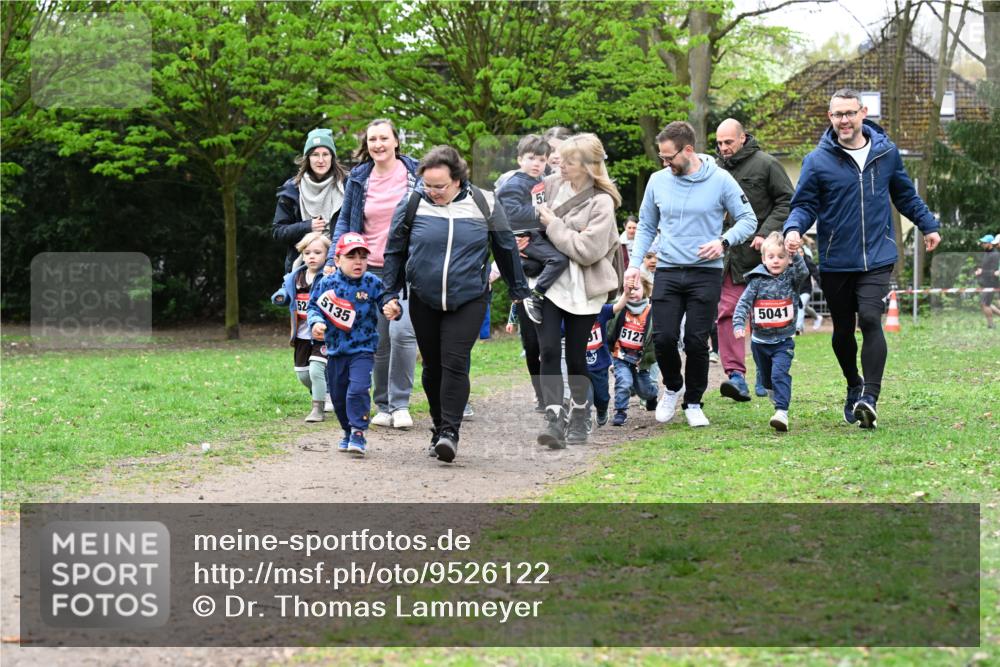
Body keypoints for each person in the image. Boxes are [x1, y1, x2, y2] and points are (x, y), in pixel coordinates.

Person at [784, 88, 941, 429]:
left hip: (878, 257)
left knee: (870, 319)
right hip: (837, 259)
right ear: (830, 118)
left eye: (850, 113)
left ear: (863, 113)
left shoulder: (886, 153)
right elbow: (804, 204)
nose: (844, 120)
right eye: (837, 115)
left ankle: (870, 397)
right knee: (842, 331)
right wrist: (794, 229)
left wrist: (928, 224)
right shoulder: (817, 160)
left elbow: (904, 194)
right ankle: (853, 383)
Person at [381, 146, 530, 464]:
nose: (432, 192)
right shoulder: (412, 203)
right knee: (433, 367)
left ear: (458, 180)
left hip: (470, 298)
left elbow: (505, 247)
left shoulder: (484, 202)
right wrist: (389, 294)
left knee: (454, 361)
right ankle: (438, 426)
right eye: (428, 185)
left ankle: (450, 433)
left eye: (439, 186)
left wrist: (519, 289)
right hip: (424, 297)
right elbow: (394, 250)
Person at [626, 121, 757, 428]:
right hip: (669, 269)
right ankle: (672, 386)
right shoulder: (658, 181)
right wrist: (633, 265)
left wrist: (723, 241)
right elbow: (645, 225)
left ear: (688, 150)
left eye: (669, 157)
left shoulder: (721, 180)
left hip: (705, 273)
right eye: (661, 157)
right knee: (664, 337)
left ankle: (694, 401)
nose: (664, 162)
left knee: (697, 341)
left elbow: (748, 219)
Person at [530, 133, 622, 448]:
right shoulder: (551, 185)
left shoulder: (602, 201)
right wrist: (566, 233)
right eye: (562, 159)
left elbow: (586, 251)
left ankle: (581, 412)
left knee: (577, 358)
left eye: (570, 161)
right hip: (551, 282)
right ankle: (555, 419)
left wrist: (555, 225)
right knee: (549, 351)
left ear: (588, 166)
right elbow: (532, 224)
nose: (562, 165)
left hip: (586, 288)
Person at [329, 119, 419, 431]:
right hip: (372, 269)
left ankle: (401, 402)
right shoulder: (359, 177)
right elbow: (346, 222)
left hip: (408, 268)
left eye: (384, 138)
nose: (378, 144)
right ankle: (382, 404)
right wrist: (333, 258)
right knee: (378, 341)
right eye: (372, 140)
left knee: (402, 334)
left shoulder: (415, 174)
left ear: (396, 141)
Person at [713, 118, 795, 403]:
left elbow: (787, 201)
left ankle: (766, 372)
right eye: (719, 143)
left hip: (761, 256)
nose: (723, 148)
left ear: (743, 138)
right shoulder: (714, 168)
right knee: (728, 313)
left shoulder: (767, 165)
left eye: (728, 142)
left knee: (763, 316)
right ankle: (736, 376)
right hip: (728, 257)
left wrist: (764, 233)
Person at [308, 233, 390, 457]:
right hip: (335, 350)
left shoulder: (371, 282)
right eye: (351, 256)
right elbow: (314, 306)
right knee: (338, 396)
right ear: (337, 260)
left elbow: (385, 297)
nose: (358, 262)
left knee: (358, 389)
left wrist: (391, 306)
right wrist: (316, 323)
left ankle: (358, 433)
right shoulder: (327, 283)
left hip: (363, 349)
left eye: (363, 257)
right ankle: (347, 430)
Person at [732, 232, 808, 432]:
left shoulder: (792, 277)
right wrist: (738, 324)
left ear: (788, 259)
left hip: (784, 340)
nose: (776, 261)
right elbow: (743, 303)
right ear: (764, 259)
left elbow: (804, 272)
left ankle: (782, 412)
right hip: (760, 341)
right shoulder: (756, 281)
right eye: (771, 257)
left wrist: (796, 254)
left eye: (781, 257)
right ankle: (773, 392)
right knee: (767, 380)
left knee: (779, 374)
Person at [496, 134, 569, 325]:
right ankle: (535, 295)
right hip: (525, 235)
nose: (536, 163)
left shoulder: (539, 180)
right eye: (531, 158)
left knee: (537, 265)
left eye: (541, 160)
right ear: (519, 159)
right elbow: (511, 214)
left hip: (535, 233)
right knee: (558, 259)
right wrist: (539, 211)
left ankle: (522, 269)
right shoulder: (515, 183)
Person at [271, 232, 332, 423]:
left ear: (327, 255)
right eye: (307, 253)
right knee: (303, 375)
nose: (312, 256)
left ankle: (318, 409)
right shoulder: (295, 276)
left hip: (322, 333)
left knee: (316, 370)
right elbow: (285, 290)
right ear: (302, 255)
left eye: (317, 252)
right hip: (301, 334)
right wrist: (280, 297)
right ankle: (324, 392)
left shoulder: (330, 277)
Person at [273, 128, 347, 273]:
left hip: (339, 267)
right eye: (315, 155)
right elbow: (278, 232)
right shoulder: (292, 189)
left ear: (332, 157)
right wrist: (307, 226)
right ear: (307, 158)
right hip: (301, 269)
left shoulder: (347, 186)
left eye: (325, 154)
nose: (320, 160)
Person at [609, 281, 658, 426]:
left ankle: (652, 395)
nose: (632, 292)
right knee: (624, 382)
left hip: (640, 361)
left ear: (646, 291)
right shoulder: (619, 308)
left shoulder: (651, 311)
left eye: (636, 289)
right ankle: (620, 411)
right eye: (628, 290)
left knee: (644, 391)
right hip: (621, 356)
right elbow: (609, 327)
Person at [975, 234, 1000, 328]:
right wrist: (980, 270)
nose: (982, 244)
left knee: (984, 304)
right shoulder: (987, 253)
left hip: (992, 283)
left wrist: (982, 271)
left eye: (984, 243)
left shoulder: (995, 254)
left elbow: (995, 272)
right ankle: (991, 324)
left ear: (990, 243)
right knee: (986, 304)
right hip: (985, 282)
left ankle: (991, 325)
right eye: (982, 242)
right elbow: (986, 267)